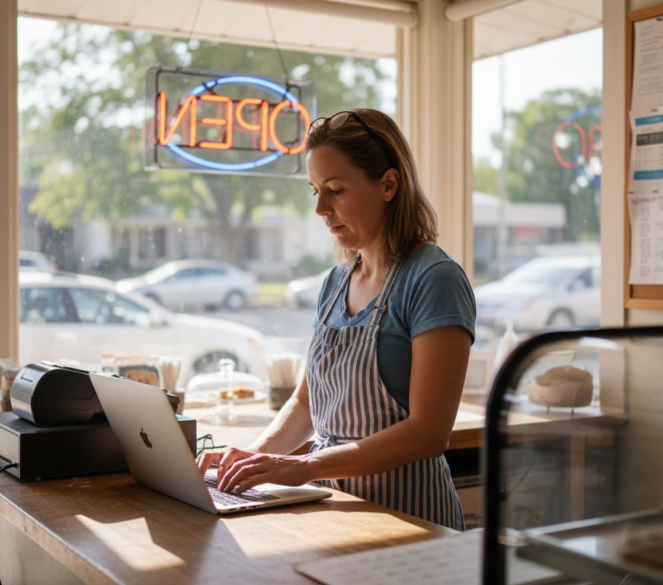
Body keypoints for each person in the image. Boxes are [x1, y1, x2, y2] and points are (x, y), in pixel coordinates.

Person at [196, 108, 476, 530]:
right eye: (315, 191)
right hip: (335, 514)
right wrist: (251, 458)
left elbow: (429, 432)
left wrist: (305, 466)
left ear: (388, 185)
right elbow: (306, 403)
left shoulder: (434, 279)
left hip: (411, 522)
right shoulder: (335, 282)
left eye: (336, 190)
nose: (321, 208)